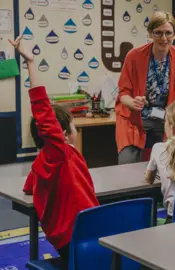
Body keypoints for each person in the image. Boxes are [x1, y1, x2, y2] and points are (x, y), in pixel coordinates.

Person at [11, 36, 99, 266]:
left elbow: (29, 186)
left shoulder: (45, 162)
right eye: (73, 125)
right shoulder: (58, 154)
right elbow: (41, 108)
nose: (76, 129)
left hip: (75, 234)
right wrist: (31, 63)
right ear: (60, 133)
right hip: (79, 233)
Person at [116, 11, 175, 165]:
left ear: (174, 34)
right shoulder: (134, 56)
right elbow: (123, 94)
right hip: (135, 118)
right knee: (127, 163)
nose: (164, 38)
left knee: (174, 161)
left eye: (168, 33)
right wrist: (132, 102)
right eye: (158, 33)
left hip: (166, 119)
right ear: (150, 34)